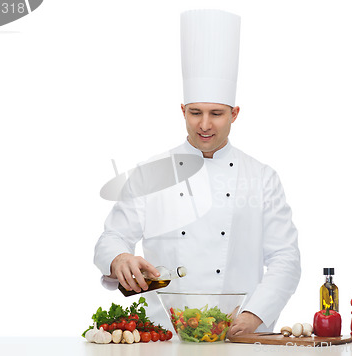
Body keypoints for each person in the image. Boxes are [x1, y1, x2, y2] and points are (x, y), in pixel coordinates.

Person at [94, 9, 301, 337]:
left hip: (237, 333)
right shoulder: (152, 173)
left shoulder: (261, 178)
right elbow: (111, 237)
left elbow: (285, 258)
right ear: (182, 111)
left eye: (216, 113)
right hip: (164, 335)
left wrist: (254, 315)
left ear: (234, 114)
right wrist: (119, 257)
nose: (204, 125)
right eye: (195, 113)